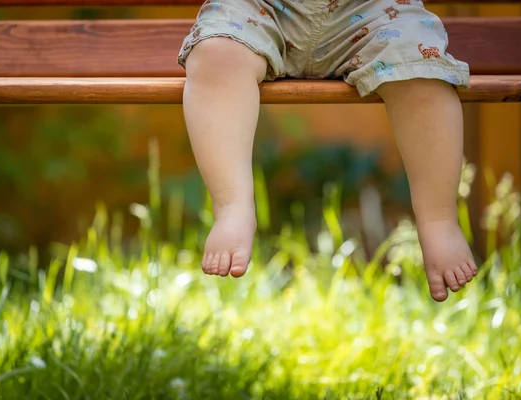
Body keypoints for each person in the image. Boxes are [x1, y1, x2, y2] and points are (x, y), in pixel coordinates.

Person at [177, 0, 478, 302]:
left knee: (420, 67)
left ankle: (439, 219)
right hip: (259, 7)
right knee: (216, 54)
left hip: (374, 11)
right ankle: (232, 205)